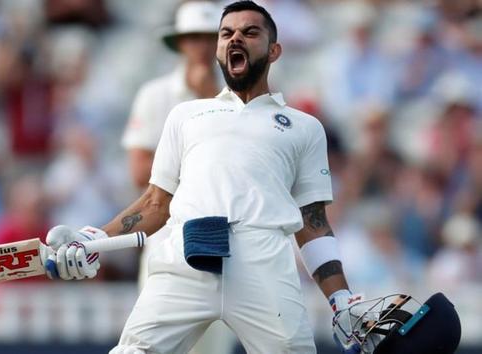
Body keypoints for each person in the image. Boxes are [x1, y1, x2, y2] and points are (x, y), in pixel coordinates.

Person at [46, 2, 362, 353]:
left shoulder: (304, 127)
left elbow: (313, 222)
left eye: (249, 32)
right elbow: (155, 203)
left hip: (264, 264)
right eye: (226, 33)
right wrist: (93, 239)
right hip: (186, 257)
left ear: (275, 51)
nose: (235, 38)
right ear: (218, 50)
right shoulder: (185, 115)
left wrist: (341, 299)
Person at [121, 2, 235, 352]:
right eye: (194, 38)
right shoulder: (156, 95)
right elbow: (139, 171)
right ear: (181, 44)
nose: (201, 47)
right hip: (166, 236)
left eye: (208, 38)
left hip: (223, 239)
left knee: (213, 347)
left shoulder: (240, 98)